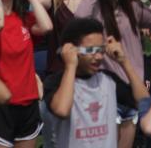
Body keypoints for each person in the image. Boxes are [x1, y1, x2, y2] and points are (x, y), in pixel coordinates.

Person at [42, 18, 145, 148]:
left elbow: (144, 102)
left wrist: (124, 61)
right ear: (71, 50)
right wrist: (70, 66)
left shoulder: (108, 80)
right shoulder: (55, 82)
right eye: (90, 50)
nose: (99, 57)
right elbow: (62, 110)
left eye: (101, 50)